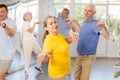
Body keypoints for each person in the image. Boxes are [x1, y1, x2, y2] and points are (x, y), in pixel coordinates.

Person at [67, 4, 110, 80]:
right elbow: (79, 30)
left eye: (89, 11)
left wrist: (104, 27)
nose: (86, 13)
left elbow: (107, 36)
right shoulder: (85, 22)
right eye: (85, 10)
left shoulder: (96, 24)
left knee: (84, 78)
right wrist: (74, 21)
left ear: (94, 12)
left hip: (88, 57)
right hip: (79, 55)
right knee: (76, 77)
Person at [37, 16, 76, 80]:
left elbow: (66, 42)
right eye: (51, 23)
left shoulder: (58, 35)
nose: (54, 24)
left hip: (64, 70)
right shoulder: (48, 40)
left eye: (55, 22)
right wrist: (45, 56)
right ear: (46, 28)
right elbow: (45, 59)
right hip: (57, 74)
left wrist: (71, 36)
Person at [0, 4, 17, 80]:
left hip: (7, 54)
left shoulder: (11, 22)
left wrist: (4, 26)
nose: (0, 14)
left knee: (1, 75)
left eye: (2, 12)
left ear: (7, 12)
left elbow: (11, 33)